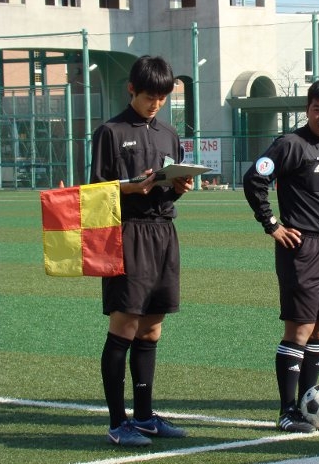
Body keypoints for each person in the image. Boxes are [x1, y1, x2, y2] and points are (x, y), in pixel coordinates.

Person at [90, 55, 192, 446]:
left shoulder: (168, 133)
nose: (156, 104)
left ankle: (146, 416)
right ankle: (118, 423)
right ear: (131, 89)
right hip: (127, 233)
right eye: (150, 96)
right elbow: (95, 190)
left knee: (151, 328)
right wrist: (131, 188)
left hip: (164, 232)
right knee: (124, 326)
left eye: (163, 98)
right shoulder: (110, 132)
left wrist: (181, 185)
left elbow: (175, 177)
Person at [243, 79, 319, 433]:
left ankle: (307, 405)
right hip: (301, 249)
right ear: (307, 110)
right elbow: (253, 179)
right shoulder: (291, 144)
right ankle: (287, 411)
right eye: (317, 109)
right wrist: (272, 224)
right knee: (299, 329)